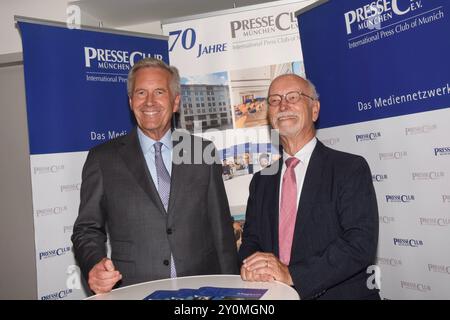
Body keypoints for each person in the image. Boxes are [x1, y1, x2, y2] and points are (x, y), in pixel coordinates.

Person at [72, 58, 239, 294]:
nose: (149, 101)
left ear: (175, 102)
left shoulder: (202, 152)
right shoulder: (103, 159)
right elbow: (86, 228)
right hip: (134, 289)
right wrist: (94, 263)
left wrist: (232, 292)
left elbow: (221, 230)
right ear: (131, 102)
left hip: (201, 290)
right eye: (141, 93)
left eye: (159, 92)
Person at [238, 74, 379, 300]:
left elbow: (359, 244)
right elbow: (251, 240)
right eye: (274, 100)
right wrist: (254, 264)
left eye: (293, 97)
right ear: (269, 116)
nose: (283, 105)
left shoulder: (349, 168)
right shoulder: (261, 181)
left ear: (314, 110)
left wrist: (293, 275)